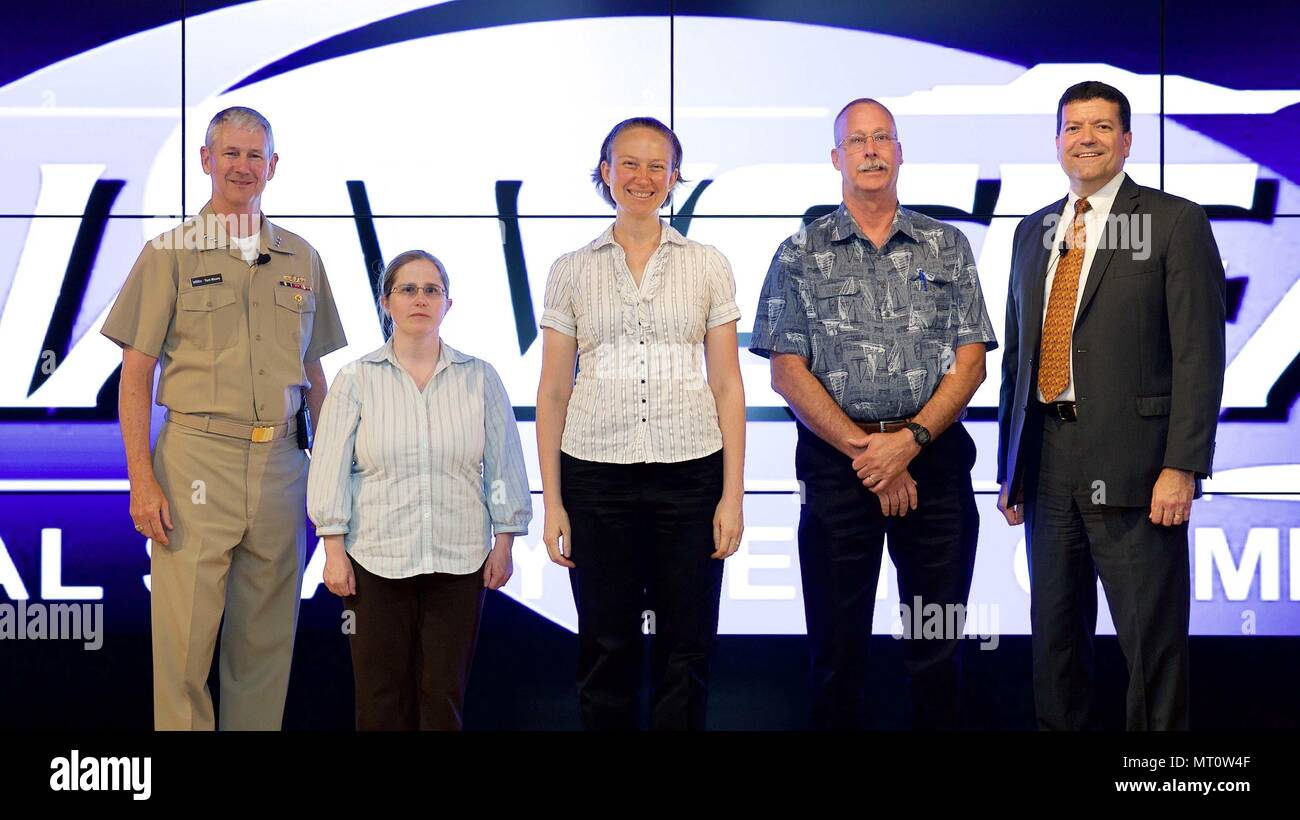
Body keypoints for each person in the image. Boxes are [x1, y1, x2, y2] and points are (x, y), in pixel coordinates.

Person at [749, 98, 998, 730]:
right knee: (836, 652)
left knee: (936, 649)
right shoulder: (799, 252)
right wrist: (873, 454)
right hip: (840, 473)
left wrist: (908, 444)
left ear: (899, 151)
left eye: (881, 138)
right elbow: (786, 371)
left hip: (935, 468)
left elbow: (970, 363)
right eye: (856, 141)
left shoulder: (948, 246)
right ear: (836, 157)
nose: (870, 150)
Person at [101, 106, 347, 730]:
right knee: (183, 650)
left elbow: (314, 376)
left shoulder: (301, 257)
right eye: (229, 153)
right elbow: (135, 377)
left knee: (265, 647)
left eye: (254, 154)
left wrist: (333, 474)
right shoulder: (169, 253)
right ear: (207, 161)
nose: (243, 166)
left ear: (273, 165)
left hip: (283, 467)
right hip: (194, 461)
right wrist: (141, 479)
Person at [996, 81, 1225, 731]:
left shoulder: (1173, 222)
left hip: (1140, 469)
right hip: (1047, 464)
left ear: (1127, 141)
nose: (1086, 139)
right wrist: (1011, 468)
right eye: (1073, 127)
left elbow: (1198, 357)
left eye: (1101, 127)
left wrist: (1183, 466)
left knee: (1151, 656)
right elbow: (1020, 356)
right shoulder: (1031, 231)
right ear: (1058, 142)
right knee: (1055, 649)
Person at [535, 117, 746, 731]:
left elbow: (729, 383)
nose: (643, 177)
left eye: (658, 166)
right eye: (629, 163)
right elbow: (552, 389)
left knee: (689, 646)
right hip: (595, 480)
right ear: (605, 172)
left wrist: (732, 495)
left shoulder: (708, 264)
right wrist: (554, 503)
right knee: (606, 646)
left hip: (692, 477)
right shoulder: (571, 269)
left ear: (675, 178)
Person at [307, 250, 531, 731]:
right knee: (380, 699)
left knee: (442, 698)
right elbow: (329, 470)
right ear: (387, 302)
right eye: (408, 289)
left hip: (460, 561)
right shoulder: (356, 379)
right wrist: (334, 550)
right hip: (375, 560)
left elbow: (504, 465)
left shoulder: (480, 377)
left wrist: (506, 541)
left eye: (432, 290)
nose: (420, 299)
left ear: (448, 304)